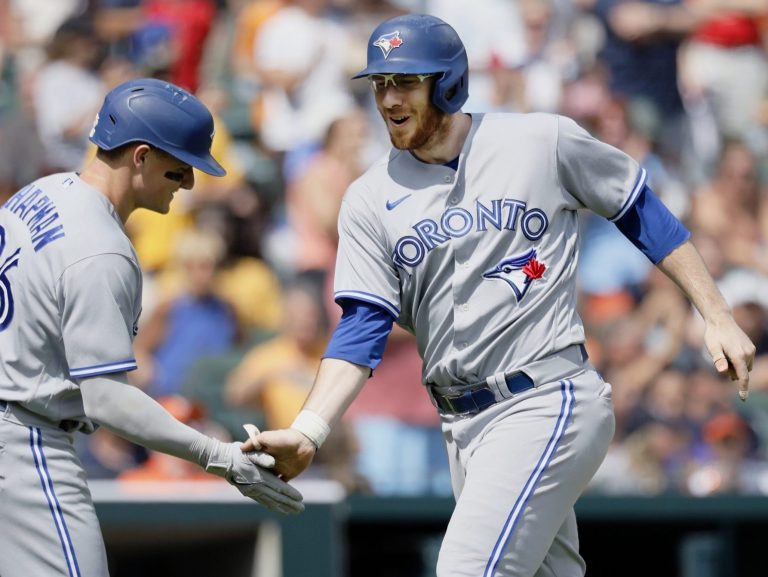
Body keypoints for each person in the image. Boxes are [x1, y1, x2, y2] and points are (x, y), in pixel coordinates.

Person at [246, 14, 757, 577]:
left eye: (405, 82)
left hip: (547, 397)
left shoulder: (538, 140)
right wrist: (309, 430)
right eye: (380, 84)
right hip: (462, 427)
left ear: (449, 83)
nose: (389, 98)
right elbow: (361, 330)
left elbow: (638, 209)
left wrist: (716, 313)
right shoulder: (368, 199)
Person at [0, 77, 303, 577]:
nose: (188, 183)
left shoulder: (41, 191)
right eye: (180, 167)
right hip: (26, 443)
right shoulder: (101, 247)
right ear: (140, 156)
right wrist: (220, 457)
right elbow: (106, 399)